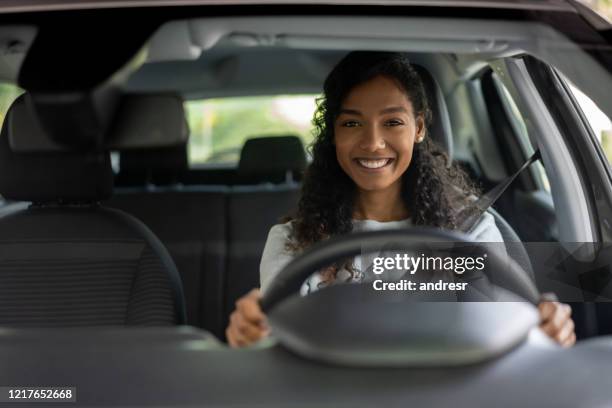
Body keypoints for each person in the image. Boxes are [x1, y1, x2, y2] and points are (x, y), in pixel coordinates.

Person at [226, 51, 575, 348]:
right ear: (333, 133)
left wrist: (542, 330)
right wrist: (253, 333)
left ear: (419, 128)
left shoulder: (472, 230)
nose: (373, 142)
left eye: (392, 122)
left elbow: (502, 332)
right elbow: (276, 342)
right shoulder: (292, 242)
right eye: (351, 124)